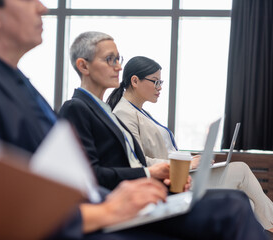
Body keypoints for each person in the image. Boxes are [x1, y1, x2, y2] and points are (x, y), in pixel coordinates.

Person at [0, 1, 267, 238]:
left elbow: (64, 174)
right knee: (230, 211)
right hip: (74, 224)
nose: (42, 6)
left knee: (231, 206)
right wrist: (105, 208)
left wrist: (125, 191)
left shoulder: (16, 84)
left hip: (89, 208)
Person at [107, 55, 273, 232]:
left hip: (181, 175)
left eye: (160, 81)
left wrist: (190, 160)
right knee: (240, 170)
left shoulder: (139, 112)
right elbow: (137, 162)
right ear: (135, 80)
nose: (160, 87)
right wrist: (185, 163)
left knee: (248, 203)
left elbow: (163, 151)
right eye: (155, 82)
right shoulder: (124, 113)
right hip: (171, 182)